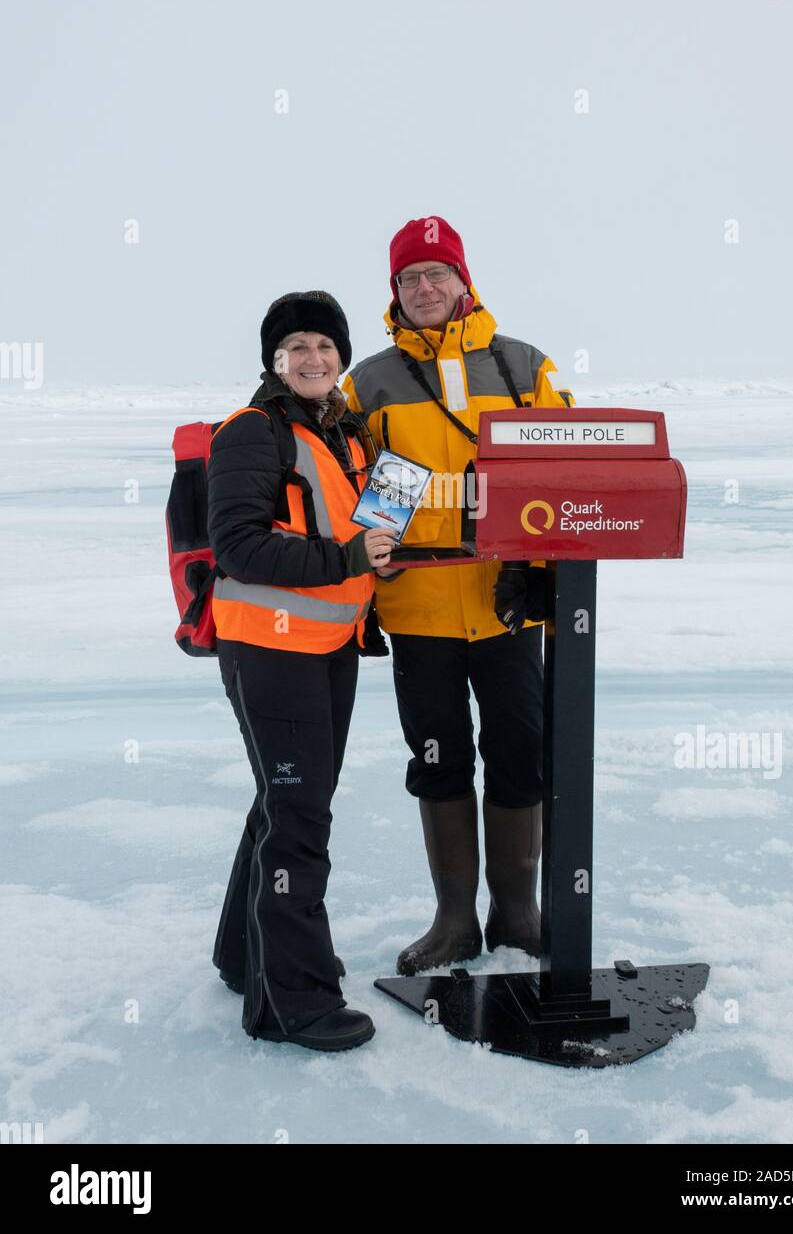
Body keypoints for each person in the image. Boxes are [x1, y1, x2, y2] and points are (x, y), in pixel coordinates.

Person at [341, 217, 574, 976]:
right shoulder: (365, 382)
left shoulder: (524, 366)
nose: (426, 289)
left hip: (507, 606)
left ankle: (517, 911)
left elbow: (563, 474)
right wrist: (369, 586)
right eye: (411, 279)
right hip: (419, 612)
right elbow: (353, 488)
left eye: (438, 274)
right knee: (438, 758)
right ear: (395, 293)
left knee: (519, 754)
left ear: (464, 283)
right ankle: (453, 921)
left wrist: (535, 564)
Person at [209, 290, 397, 1049]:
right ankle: (293, 1003)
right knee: (299, 820)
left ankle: (246, 952)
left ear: (341, 357)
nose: (313, 358)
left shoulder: (345, 437)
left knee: (283, 803)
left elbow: (363, 534)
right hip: (269, 651)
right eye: (296, 349)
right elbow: (239, 547)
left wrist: (379, 552)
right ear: (274, 362)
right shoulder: (252, 434)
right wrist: (348, 557)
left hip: (330, 649)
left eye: (325, 345)